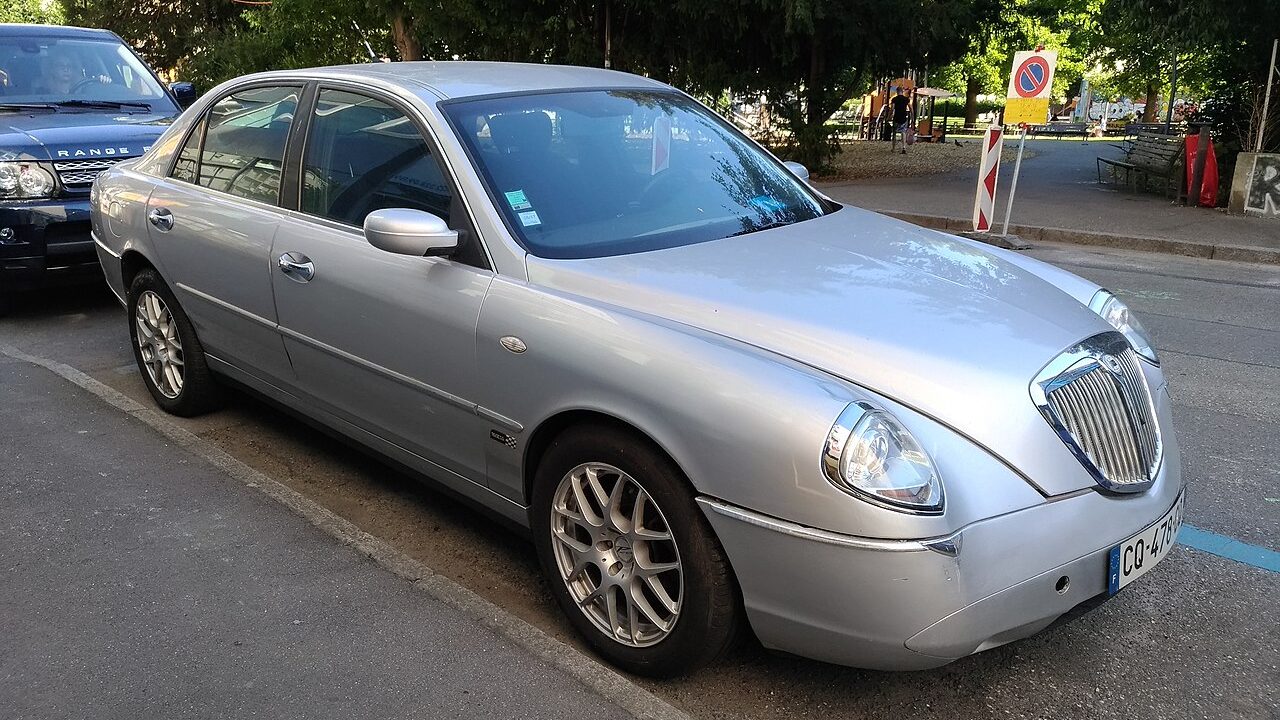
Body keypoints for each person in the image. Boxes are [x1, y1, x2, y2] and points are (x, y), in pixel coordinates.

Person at [33, 50, 111, 96]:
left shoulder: (85, 85)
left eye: (69, 65)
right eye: (61, 65)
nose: (66, 69)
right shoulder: (43, 89)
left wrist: (103, 81)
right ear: (52, 69)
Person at [890, 88, 911, 154]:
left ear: (897, 92)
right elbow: (911, 108)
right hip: (903, 118)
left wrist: (889, 116)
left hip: (896, 118)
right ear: (902, 91)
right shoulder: (906, 99)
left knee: (894, 133)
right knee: (903, 132)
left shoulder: (894, 99)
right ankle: (904, 147)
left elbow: (892, 109)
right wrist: (912, 116)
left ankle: (893, 148)